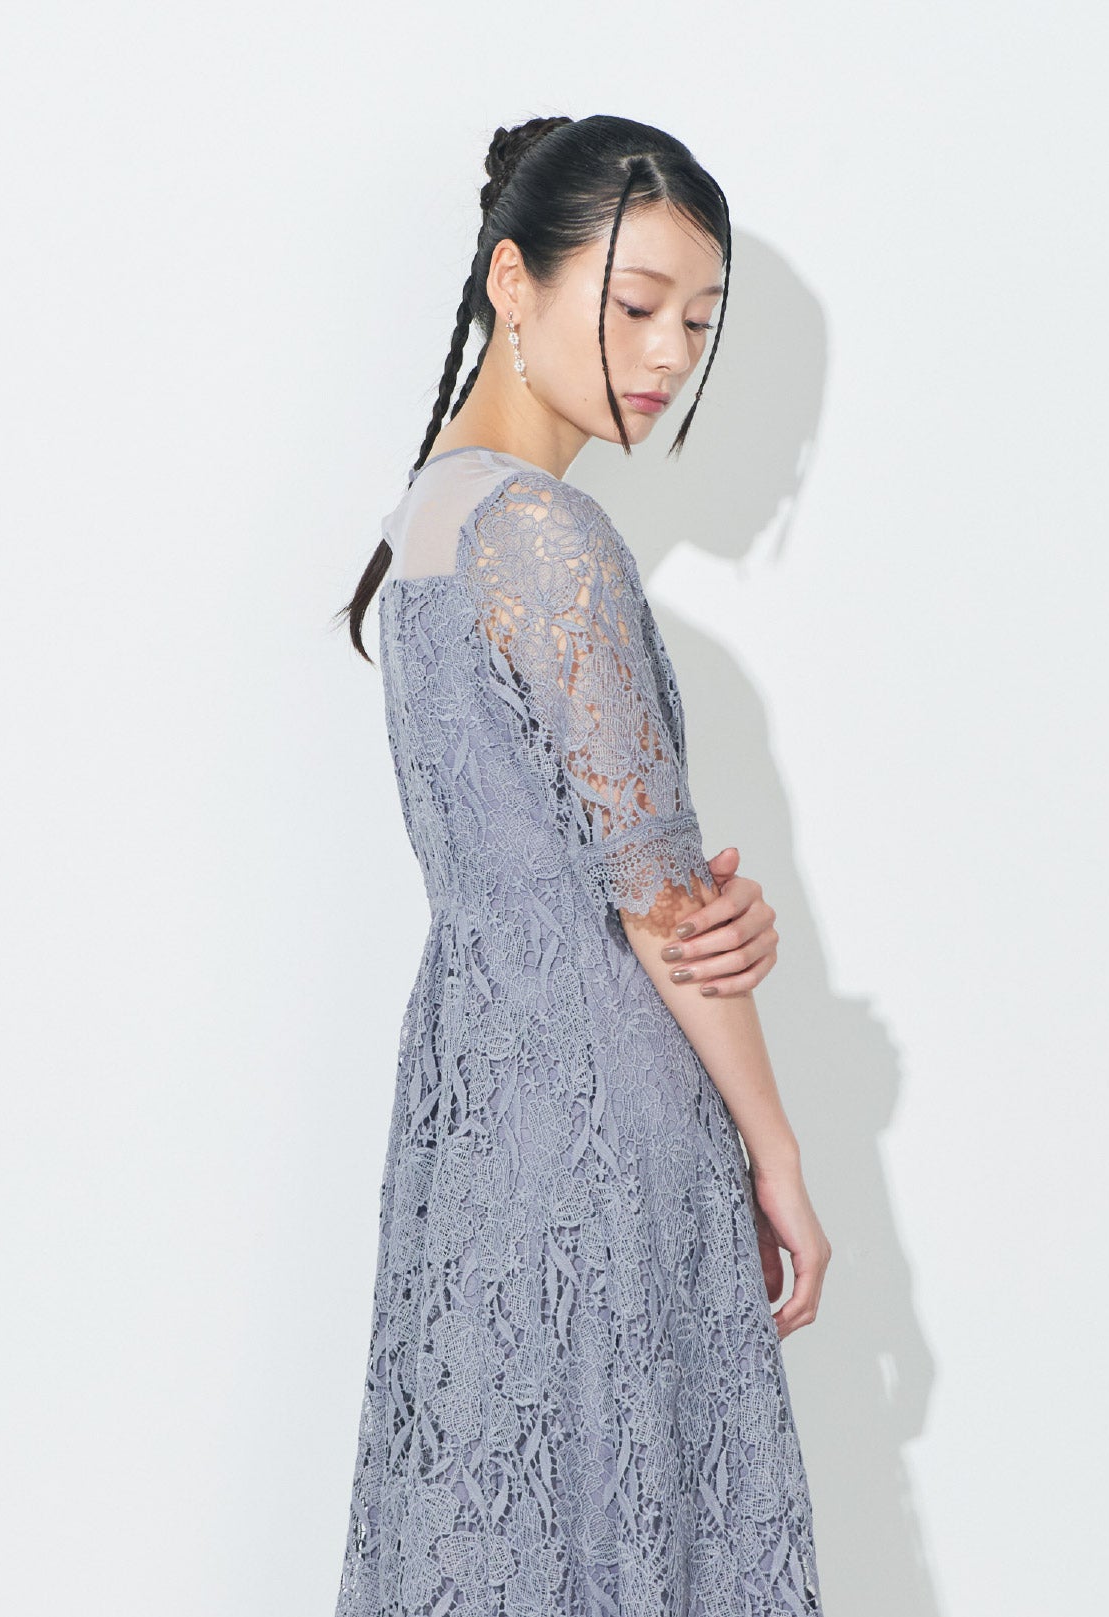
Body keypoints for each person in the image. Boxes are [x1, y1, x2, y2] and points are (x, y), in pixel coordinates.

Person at [330, 114, 830, 1617]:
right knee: (627, 1530)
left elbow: (604, 869)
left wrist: (700, 907)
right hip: (603, 1116)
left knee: (504, 1527)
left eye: (698, 319)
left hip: (478, 1097)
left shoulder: (428, 517)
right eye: (635, 305)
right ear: (513, 281)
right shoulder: (547, 536)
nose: (668, 353)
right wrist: (777, 1154)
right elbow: (662, 908)